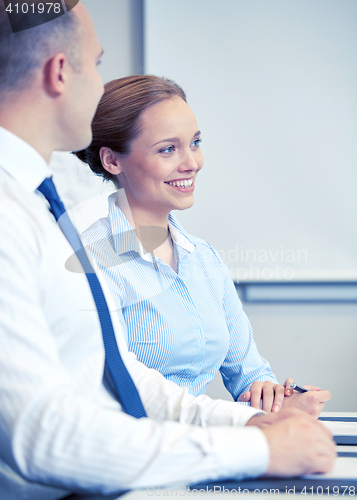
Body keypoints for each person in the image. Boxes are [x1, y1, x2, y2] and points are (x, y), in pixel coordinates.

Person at [0, 2, 336, 499]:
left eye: (194, 142)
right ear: (60, 72)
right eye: (96, 64)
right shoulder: (40, 226)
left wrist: (254, 420)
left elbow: (119, 375)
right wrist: (258, 447)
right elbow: (45, 431)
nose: (191, 162)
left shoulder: (37, 210)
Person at [77, 75, 330, 416]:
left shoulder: (204, 258)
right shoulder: (90, 263)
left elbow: (250, 377)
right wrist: (243, 420)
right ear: (112, 161)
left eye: (195, 143)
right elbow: (124, 397)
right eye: (168, 149)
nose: (192, 163)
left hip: (207, 445)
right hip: (136, 451)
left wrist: (274, 398)